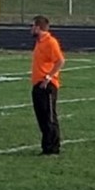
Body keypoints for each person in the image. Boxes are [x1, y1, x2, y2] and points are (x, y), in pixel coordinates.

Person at [31, 16, 64, 156]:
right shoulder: (39, 42)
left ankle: (53, 148)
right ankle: (46, 147)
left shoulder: (50, 42)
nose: (31, 29)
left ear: (38, 27)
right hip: (37, 84)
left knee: (49, 116)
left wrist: (48, 77)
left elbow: (60, 61)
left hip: (47, 85)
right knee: (42, 117)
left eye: (32, 26)